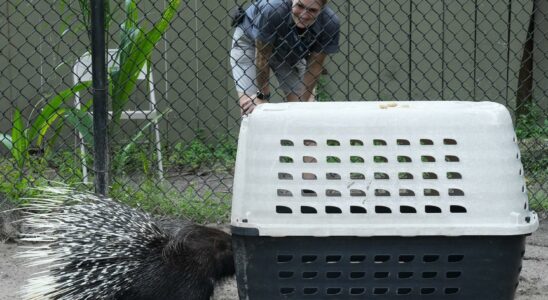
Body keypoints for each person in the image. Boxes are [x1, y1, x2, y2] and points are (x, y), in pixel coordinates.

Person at [230, 0, 340, 115]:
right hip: (251, 41)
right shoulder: (273, 8)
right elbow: (262, 57)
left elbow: (315, 66)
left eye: (312, 10)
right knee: (251, 108)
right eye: (300, 6)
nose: (303, 14)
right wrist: (262, 95)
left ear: (322, 9)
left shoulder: (330, 22)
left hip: (287, 47)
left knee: (302, 110)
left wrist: (303, 104)